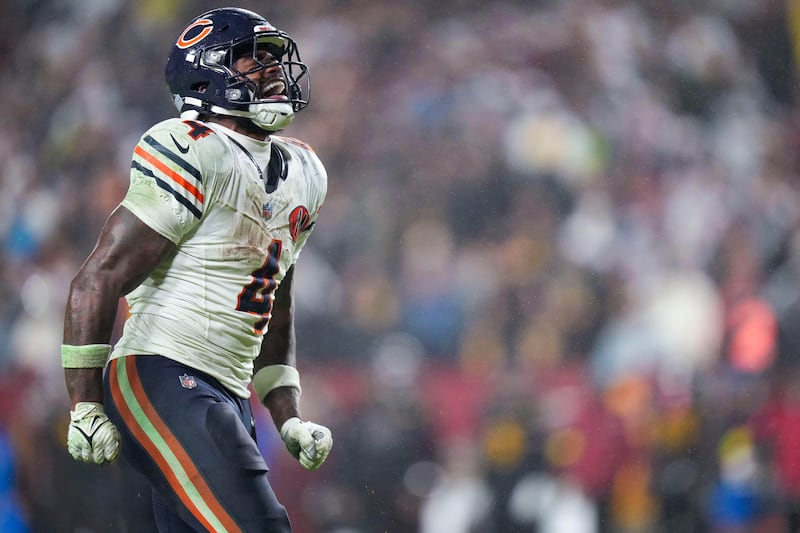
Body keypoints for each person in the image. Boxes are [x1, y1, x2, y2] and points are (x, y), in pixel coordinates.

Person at [60, 7, 333, 532]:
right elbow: (98, 277)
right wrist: (84, 405)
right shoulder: (193, 147)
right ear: (206, 72)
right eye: (253, 58)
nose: (272, 69)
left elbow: (273, 305)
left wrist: (287, 415)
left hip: (228, 395)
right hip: (161, 372)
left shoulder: (305, 171)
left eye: (275, 58)